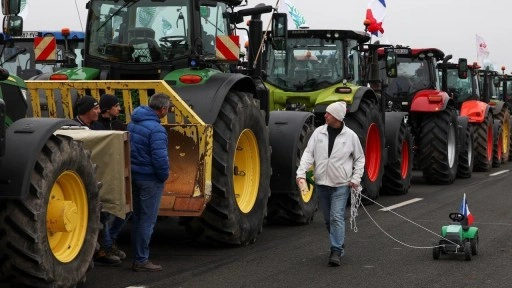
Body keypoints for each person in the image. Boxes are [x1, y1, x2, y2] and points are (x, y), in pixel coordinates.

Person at [296, 101, 365, 267]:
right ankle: (339, 242)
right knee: (328, 219)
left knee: (336, 217)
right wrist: (301, 173)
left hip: (341, 185)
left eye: (328, 113)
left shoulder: (351, 137)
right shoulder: (318, 133)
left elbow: (360, 158)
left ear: (338, 117)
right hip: (322, 184)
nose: (325, 115)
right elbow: (308, 154)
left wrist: (356, 179)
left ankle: (335, 250)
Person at [128, 93, 171, 272]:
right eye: (167, 109)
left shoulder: (133, 123)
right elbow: (160, 158)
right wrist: (164, 176)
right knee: (148, 220)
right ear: (162, 109)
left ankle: (136, 255)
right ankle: (141, 259)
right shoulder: (157, 130)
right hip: (150, 179)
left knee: (137, 218)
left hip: (134, 176)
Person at [92, 94, 129, 266]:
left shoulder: (120, 125)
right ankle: (105, 247)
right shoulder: (96, 127)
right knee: (104, 213)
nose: (119, 109)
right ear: (108, 109)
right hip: (103, 172)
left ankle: (109, 241)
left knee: (127, 208)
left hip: (119, 171)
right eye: (117, 106)